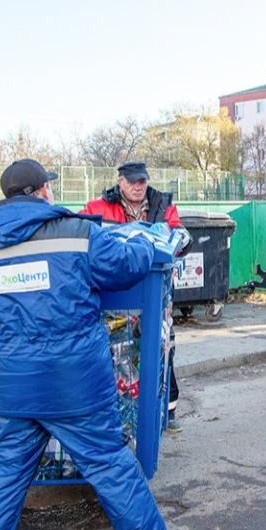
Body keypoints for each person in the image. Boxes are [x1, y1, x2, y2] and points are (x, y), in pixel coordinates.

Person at [0, 159, 170, 530]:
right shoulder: (76, 231)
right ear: (40, 192)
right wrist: (146, 243)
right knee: (105, 457)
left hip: (10, 384)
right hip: (72, 380)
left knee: (5, 464)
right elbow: (125, 265)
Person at [84, 161, 190, 433]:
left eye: (142, 181)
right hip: (116, 293)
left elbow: (181, 234)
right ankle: (122, 411)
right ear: (120, 182)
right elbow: (82, 232)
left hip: (156, 290)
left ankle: (167, 411)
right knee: (118, 350)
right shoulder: (98, 208)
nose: (137, 186)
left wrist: (178, 238)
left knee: (162, 345)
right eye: (131, 181)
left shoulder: (163, 205)